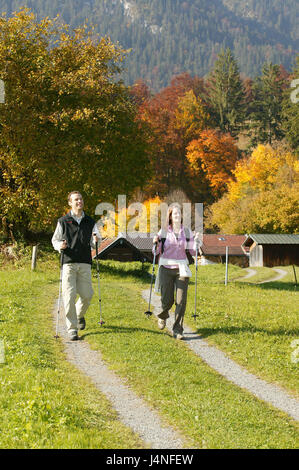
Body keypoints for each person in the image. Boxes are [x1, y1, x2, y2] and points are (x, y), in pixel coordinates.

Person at [52, 191, 101, 341]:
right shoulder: (63, 221)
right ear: (70, 203)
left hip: (85, 262)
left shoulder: (90, 222)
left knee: (87, 295)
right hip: (68, 262)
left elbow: (94, 243)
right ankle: (72, 329)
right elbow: (55, 240)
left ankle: (79, 316)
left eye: (80, 199)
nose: (79, 201)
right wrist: (60, 245)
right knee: (69, 296)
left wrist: (96, 239)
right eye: (76, 199)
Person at [153, 204, 200, 340]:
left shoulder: (187, 232)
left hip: (182, 269)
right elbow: (156, 252)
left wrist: (196, 242)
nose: (177, 215)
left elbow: (192, 251)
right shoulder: (163, 232)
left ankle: (178, 330)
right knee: (167, 301)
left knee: (181, 301)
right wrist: (155, 243)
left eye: (179, 213)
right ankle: (162, 315)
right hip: (166, 268)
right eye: (175, 214)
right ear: (170, 216)